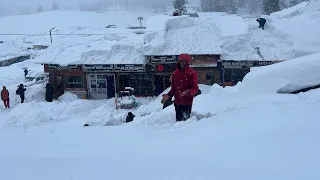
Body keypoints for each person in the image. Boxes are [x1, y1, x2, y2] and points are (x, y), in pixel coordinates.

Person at [161, 54, 199, 122]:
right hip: (177, 103)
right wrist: (168, 95)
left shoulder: (193, 73)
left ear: (188, 62)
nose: (182, 63)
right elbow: (173, 89)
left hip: (187, 102)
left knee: (185, 123)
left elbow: (195, 89)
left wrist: (187, 91)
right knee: (178, 122)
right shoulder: (175, 74)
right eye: (181, 61)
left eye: (184, 61)